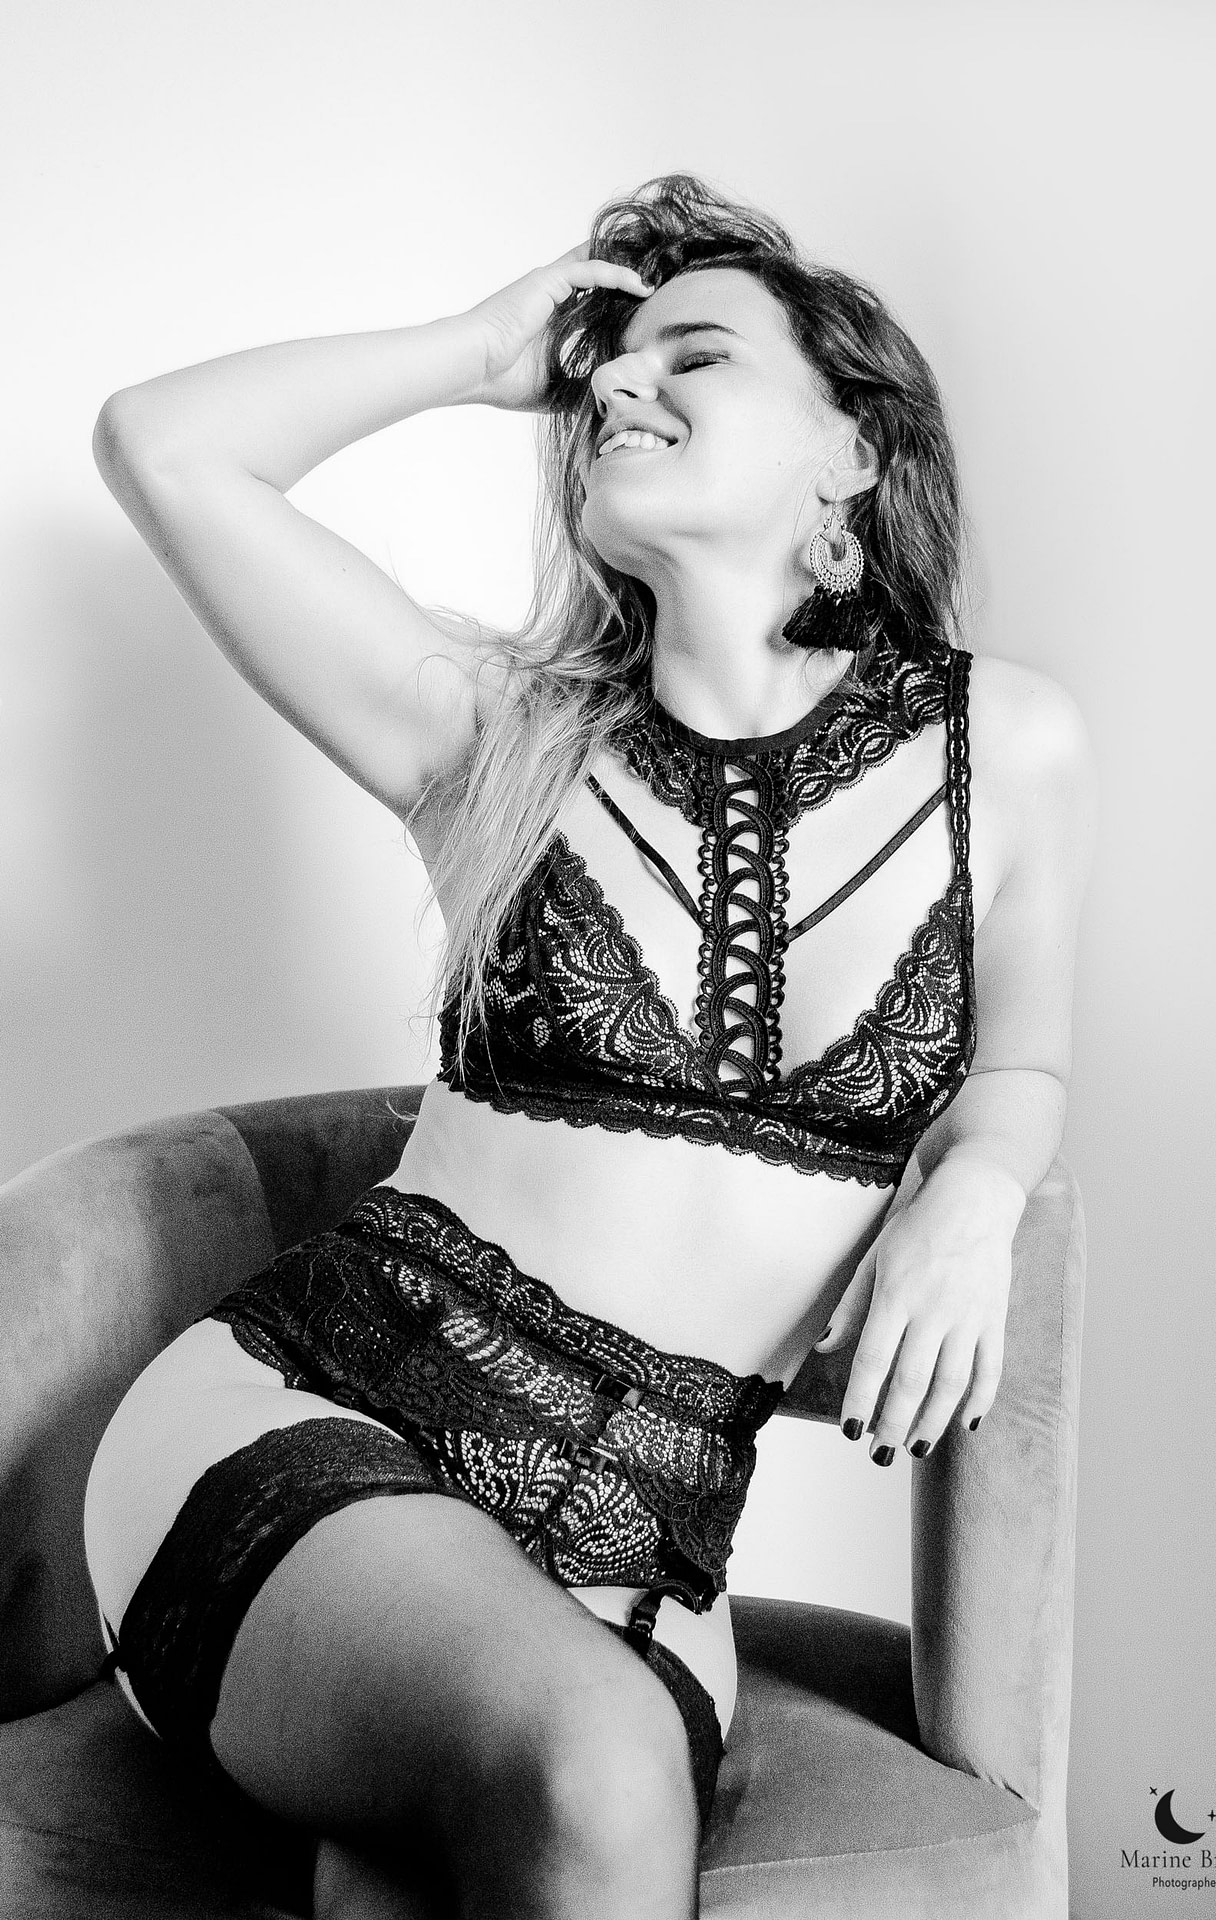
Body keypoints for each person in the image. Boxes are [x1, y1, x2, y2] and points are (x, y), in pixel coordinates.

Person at [82, 174, 1095, 1919]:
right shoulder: (496, 734)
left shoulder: (1005, 748)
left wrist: (977, 1189)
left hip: (646, 1543)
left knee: (514, 1827)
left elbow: (1019, 1065)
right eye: (607, 365)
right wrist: (488, 350)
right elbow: (162, 446)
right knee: (591, 1763)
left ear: (851, 453)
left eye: (694, 353)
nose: (621, 381)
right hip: (313, 1413)